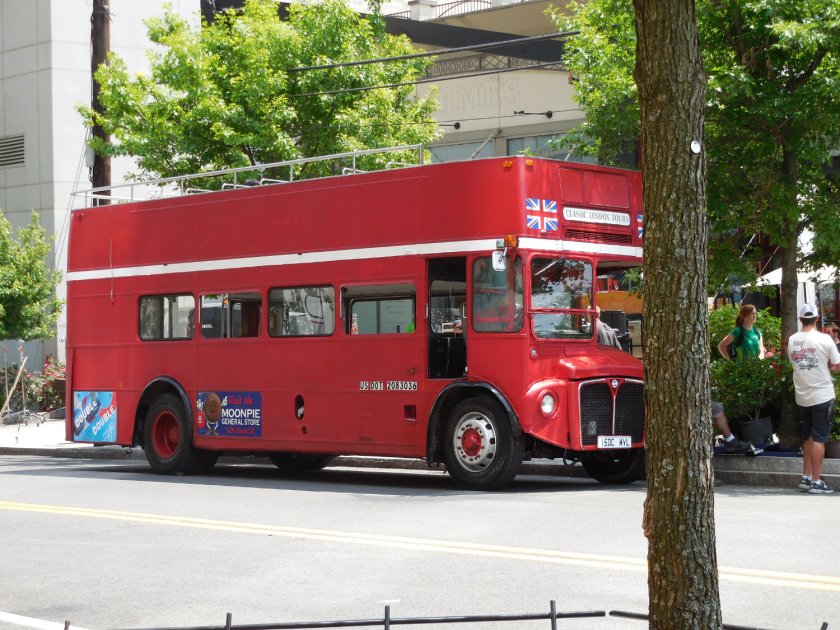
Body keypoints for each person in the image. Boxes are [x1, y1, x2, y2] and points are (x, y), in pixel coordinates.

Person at [787, 303, 840, 495]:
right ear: (817, 318)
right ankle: (817, 481)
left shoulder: (792, 340)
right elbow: (837, 364)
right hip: (822, 394)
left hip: (802, 395)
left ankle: (806, 476)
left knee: (808, 436)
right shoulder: (825, 339)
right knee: (819, 437)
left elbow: (795, 363)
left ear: (800, 319)